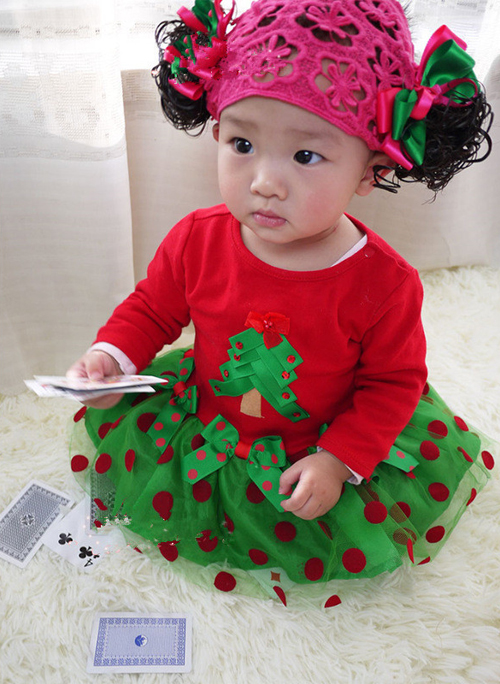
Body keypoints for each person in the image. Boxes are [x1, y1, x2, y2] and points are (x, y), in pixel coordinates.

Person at [67, 0, 495, 603]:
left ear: (370, 170)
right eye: (242, 143)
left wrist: (338, 460)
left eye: (306, 156)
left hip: (314, 442)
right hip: (210, 417)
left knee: (316, 516)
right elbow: (153, 309)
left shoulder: (385, 284)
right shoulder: (197, 238)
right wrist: (113, 355)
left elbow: (393, 383)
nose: (265, 182)